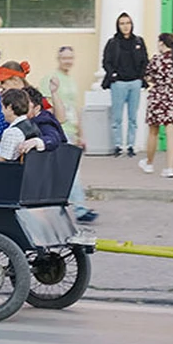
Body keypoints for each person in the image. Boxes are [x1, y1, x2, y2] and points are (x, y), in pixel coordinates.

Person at [37, 56, 98, 222]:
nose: (68, 61)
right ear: (58, 59)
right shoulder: (51, 78)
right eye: (64, 58)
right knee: (70, 171)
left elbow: (74, 108)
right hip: (58, 131)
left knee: (66, 171)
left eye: (71, 57)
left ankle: (66, 207)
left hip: (70, 130)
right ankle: (78, 208)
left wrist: (81, 133)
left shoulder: (71, 81)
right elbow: (46, 104)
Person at [102, 12, 148, 157]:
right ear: (118, 26)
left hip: (135, 83)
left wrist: (140, 77)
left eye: (127, 23)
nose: (125, 26)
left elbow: (145, 61)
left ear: (131, 25)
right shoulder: (113, 43)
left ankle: (130, 146)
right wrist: (113, 75)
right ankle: (118, 145)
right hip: (118, 84)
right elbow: (106, 61)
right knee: (117, 117)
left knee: (133, 117)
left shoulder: (139, 42)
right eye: (122, 23)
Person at [138, 34, 173, 178]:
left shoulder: (157, 59)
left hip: (157, 96)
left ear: (162, 43)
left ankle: (149, 163)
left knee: (153, 132)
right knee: (171, 134)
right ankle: (169, 168)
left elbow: (147, 76)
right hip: (172, 96)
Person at [0, 89, 41, 162]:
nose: (1, 111)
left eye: (2, 107)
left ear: (9, 107)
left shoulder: (12, 132)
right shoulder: (32, 126)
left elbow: (0, 162)